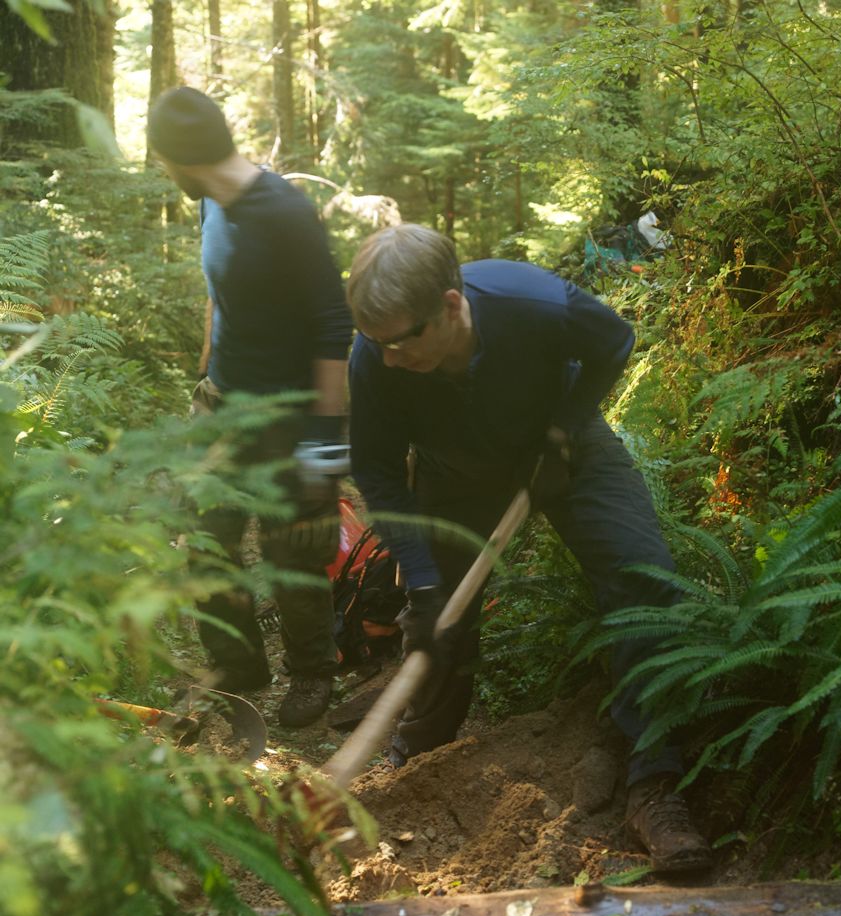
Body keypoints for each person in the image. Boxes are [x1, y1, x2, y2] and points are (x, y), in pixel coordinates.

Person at [345, 223, 711, 874]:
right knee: (440, 624)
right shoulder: (375, 356)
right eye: (377, 343)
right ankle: (411, 764)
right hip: (454, 475)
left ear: (452, 307)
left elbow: (615, 342)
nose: (387, 358)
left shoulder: (536, 304)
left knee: (646, 577)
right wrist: (423, 576)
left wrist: (563, 431)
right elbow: (374, 469)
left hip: (563, 448)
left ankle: (654, 781)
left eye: (400, 340)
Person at [147, 86, 353, 728]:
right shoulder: (209, 199)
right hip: (223, 404)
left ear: (180, 158)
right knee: (207, 544)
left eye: (160, 159)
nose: (161, 171)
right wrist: (208, 375)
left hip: (289, 416)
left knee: (296, 546)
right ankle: (238, 671)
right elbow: (222, 291)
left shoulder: (285, 211)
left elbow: (331, 326)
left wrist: (325, 450)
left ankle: (313, 674)